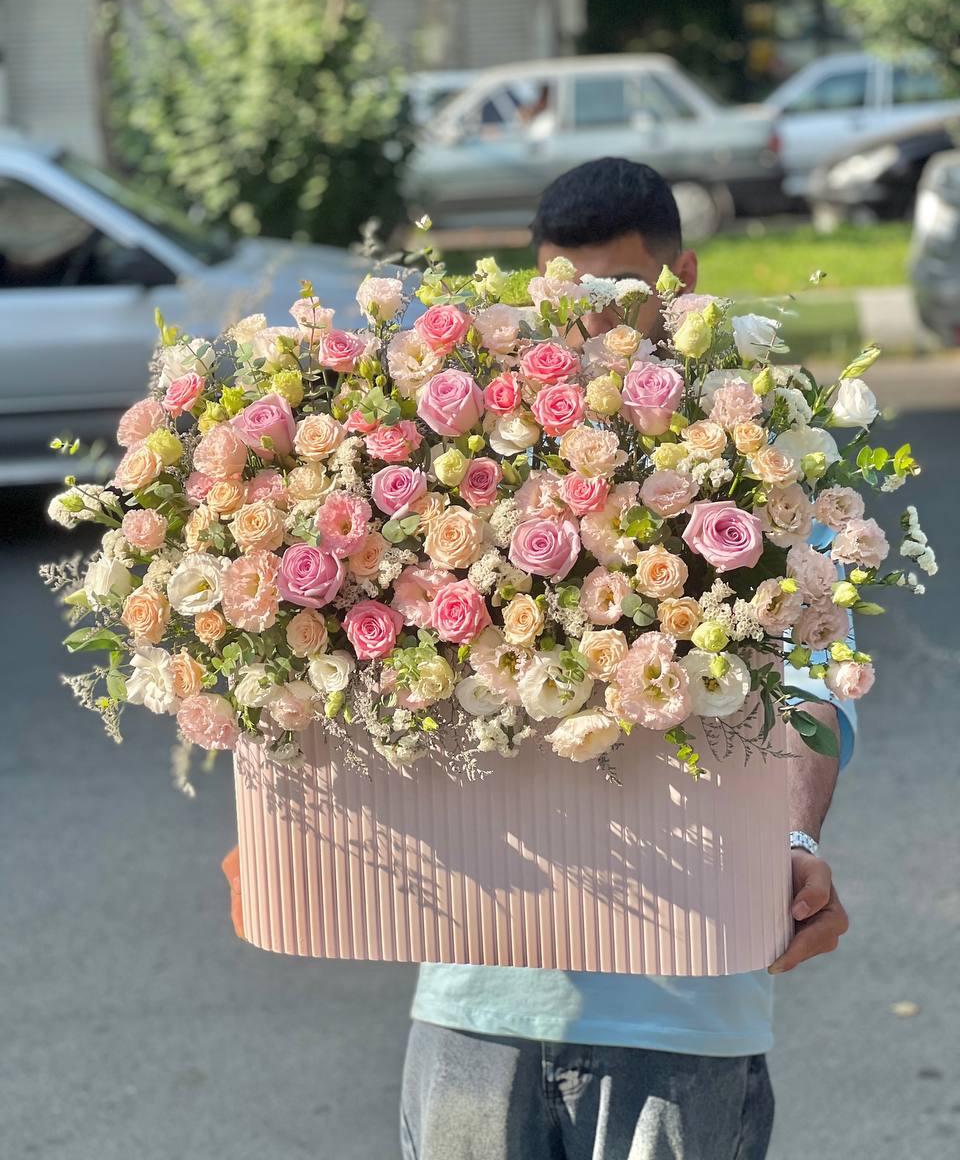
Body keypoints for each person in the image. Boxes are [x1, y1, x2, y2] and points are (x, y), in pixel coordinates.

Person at [223, 157, 856, 1160]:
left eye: (616, 289)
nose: (588, 320)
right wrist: (299, 801)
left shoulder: (767, 469)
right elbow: (379, 650)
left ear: (681, 279)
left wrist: (793, 839)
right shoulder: (470, 450)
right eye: (564, 290)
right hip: (479, 992)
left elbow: (812, 689)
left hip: (682, 1004)